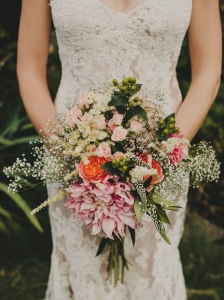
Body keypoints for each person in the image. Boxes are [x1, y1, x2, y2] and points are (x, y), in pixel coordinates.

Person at [17, 0, 222, 299]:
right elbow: (29, 71)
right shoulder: (71, 157)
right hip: (72, 159)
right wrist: (71, 153)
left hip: (162, 159)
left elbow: (209, 71)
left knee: (151, 267)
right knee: (83, 266)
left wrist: (162, 154)